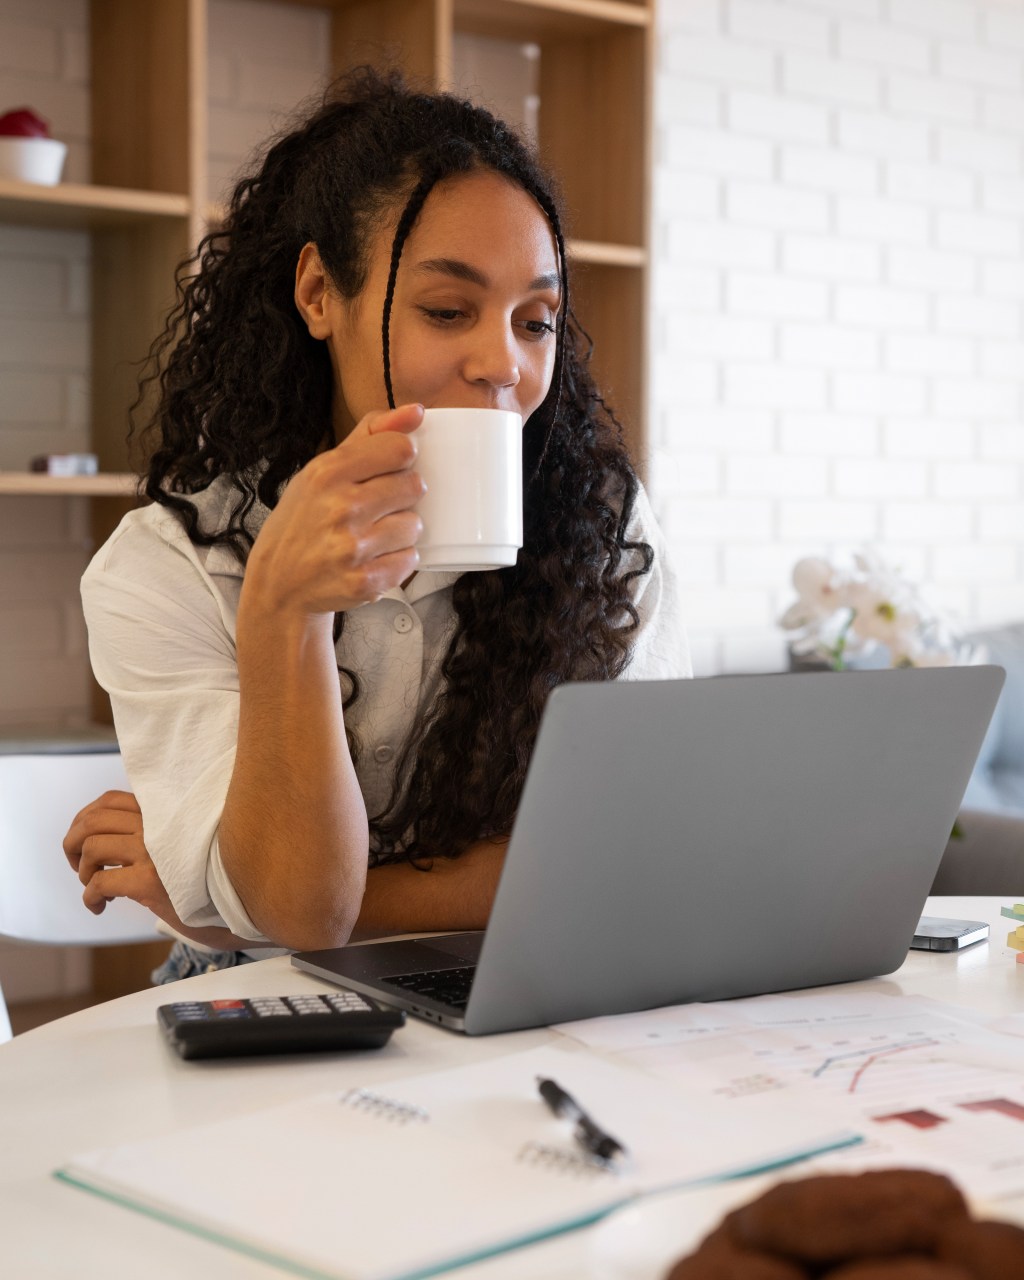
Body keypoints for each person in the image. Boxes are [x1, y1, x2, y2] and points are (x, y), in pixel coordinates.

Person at [63, 68, 690, 978]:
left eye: (537, 320)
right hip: (259, 1011)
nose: (503, 364)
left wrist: (230, 905)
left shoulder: (602, 534)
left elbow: (631, 860)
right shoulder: (171, 566)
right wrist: (284, 608)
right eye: (447, 310)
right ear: (319, 294)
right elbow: (303, 911)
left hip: (514, 979)